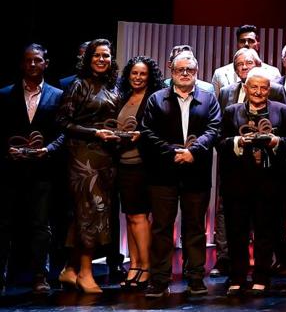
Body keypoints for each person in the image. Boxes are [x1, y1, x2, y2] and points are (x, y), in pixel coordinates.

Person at [139, 49, 222, 298]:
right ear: (171, 72)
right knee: (161, 228)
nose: (185, 73)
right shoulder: (156, 99)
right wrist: (172, 151)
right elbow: (147, 132)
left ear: (197, 72)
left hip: (196, 172)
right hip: (163, 173)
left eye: (190, 70)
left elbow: (214, 129)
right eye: (180, 70)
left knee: (195, 228)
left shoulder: (209, 98)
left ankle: (195, 277)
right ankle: (159, 280)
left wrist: (193, 151)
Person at [218, 67, 286, 297]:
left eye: (263, 87)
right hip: (238, 182)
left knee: (265, 232)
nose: (259, 91)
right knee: (237, 232)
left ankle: (261, 276)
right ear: (246, 88)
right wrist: (238, 142)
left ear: (269, 89)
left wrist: (276, 141)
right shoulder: (231, 111)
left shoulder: (282, 110)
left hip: (270, 182)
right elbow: (220, 142)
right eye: (254, 87)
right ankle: (237, 276)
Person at [56, 39, 121, 293]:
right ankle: (85, 272)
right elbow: (63, 121)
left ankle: (70, 270)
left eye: (106, 55)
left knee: (95, 212)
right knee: (88, 212)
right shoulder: (78, 85)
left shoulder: (112, 85)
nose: (102, 59)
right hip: (83, 158)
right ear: (88, 58)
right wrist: (95, 133)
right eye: (97, 55)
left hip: (107, 156)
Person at [0, 45, 64, 295]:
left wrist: (48, 150)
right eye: (28, 61)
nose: (32, 65)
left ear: (46, 63)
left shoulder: (57, 95)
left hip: (42, 170)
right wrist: (7, 151)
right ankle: (1, 276)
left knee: (41, 225)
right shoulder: (5, 94)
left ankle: (41, 275)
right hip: (10, 170)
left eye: (37, 60)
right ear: (22, 64)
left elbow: (63, 133)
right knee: (4, 225)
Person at [112, 56, 162, 289]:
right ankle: (134, 264)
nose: (138, 77)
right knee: (130, 217)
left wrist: (140, 135)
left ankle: (146, 266)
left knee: (140, 216)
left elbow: (156, 131)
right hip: (122, 163)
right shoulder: (123, 98)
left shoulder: (154, 99)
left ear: (149, 76)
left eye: (142, 74)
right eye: (134, 73)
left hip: (143, 164)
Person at [211, 25, 280, 97]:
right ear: (237, 45)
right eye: (242, 41)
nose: (246, 44)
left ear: (257, 45)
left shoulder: (273, 73)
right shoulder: (220, 73)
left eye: (250, 41)